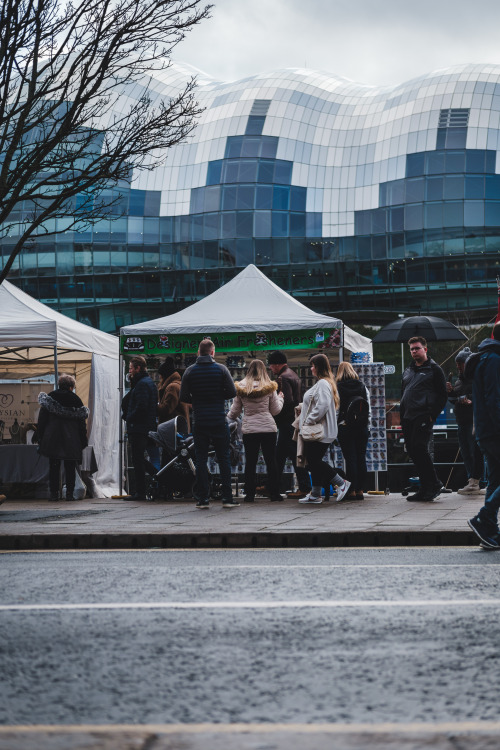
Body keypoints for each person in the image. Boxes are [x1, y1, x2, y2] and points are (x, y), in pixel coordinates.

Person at [180, 339, 239, 509]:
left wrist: (197, 400)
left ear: (199, 352)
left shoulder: (190, 371)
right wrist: (217, 396)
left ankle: (203, 499)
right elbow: (232, 392)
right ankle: (227, 498)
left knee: (201, 459)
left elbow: (183, 396)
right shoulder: (221, 369)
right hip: (219, 420)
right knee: (224, 458)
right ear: (213, 352)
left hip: (200, 421)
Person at [227, 359, 284, 503]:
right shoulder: (270, 387)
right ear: (264, 370)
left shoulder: (241, 388)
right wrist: (280, 398)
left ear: (248, 370)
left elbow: (234, 413)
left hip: (250, 429)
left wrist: (227, 417)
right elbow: (275, 411)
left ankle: (250, 495)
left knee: (251, 462)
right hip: (268, 428)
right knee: (271, 461)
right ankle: (275, 494)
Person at [298, 353, 351, 504]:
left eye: (313, 365)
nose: (311, 368)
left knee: (313, 461)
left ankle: (341, 483)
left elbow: (322, 405)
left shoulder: (322, 384)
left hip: (318, 430)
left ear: (318, 367)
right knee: (314, 460)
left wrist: (309, 420)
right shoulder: (326, 383)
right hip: (322, 430)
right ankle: (315, 494)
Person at [400, 336, 447, 502]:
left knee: (420, 448)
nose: (414, 351)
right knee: (412, 450)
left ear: (425, 349)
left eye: (417, 348)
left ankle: (434, 483)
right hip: (408, 416)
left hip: (423, 414)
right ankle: (425, 487)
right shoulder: (409, 369)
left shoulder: (434, 369)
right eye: (412, 349)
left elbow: (442, 395)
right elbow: (404, 393)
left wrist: (431, 415)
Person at [467, 322, 500, 549]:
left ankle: (489, 531)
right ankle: (483, 518)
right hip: (493, 430)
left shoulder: (487, 358)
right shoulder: (494, 360)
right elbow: (493, 399)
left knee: (496, 480)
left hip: (486, 429)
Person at [37, 374, 89, 501]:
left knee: (54, 466)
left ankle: (54, 494)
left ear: (59, 385)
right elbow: (81, 422)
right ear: (71, 387)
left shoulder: (51, 397)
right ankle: (69, 494)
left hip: (52, 437)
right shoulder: (76, 399)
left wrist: (40, 435)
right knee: (70, 467)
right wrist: (83, 439)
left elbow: (42, 419)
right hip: (71, 438)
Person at [267, 350, 311, 498]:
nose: (270, 368)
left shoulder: (283, 378)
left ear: (278, 364)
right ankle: (273, 486)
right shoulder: (293, 374)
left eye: (272, 365)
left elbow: (287, 400)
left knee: (283, 455)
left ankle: (277, 487)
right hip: (294, 420)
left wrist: (275, 414)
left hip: (287, 422)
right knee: (289, 455)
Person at [446, 347, 484, 495]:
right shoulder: (458, 381)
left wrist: (469, 400)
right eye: (457, 364)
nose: (458, 367)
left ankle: (479, 482)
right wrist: (451, 392)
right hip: (461, 421)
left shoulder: (476, 378)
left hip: (472, 421)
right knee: (467, 453)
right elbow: (454, 399)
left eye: (460, 363)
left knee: (475, 453)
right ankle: (471, 481)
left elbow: (481, 396)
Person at [123, 355, 158, 502]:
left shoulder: (142, 384)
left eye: (131, 368)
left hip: (139, 427)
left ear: (138, 368)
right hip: (144, 426)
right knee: (139, 459)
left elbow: (141, 406)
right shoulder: (146, 382)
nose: (130, 371)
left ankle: (141, 490)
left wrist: (129, 417)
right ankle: (158, 477)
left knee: (137, 459)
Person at [335, 362, 370, 499]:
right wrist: (368, 425)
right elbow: (368, 408)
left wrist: (336, 426)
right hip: (362, 427)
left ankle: (351, 490)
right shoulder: (362, 386)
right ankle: (361, 489)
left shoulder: (338, 388)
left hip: (345, 426)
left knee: (350, 459)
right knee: (361, 458)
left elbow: (336, 410)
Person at [158, 356, 190, 428]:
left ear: (164, 376)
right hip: (179, 426)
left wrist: (153, 406)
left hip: (173, 428)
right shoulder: (178, 384)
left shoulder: (172, 387)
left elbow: (167, 409)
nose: (159, 378)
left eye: (160, 375)